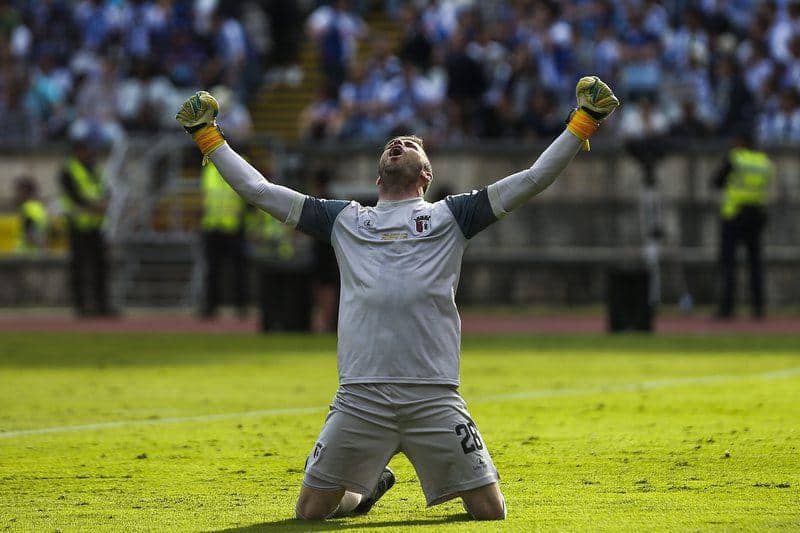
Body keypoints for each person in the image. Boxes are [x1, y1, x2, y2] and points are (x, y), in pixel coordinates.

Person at [176, 76, 619, 521]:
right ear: (378, 174)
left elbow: (535, 178)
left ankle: (368, 481)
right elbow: (260, 191)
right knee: (311, 512)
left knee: (490, 511)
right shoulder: (346, 220)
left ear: (426, 174)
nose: (399, 143)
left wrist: (584, 121)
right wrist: (208, 136)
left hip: (433, 395)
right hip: (361, 397)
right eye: (394, 143)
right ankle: (365, 492)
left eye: (409, 143)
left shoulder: (453, 216)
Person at [711, 132, 775, 319]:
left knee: (729, 264)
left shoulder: (735, 158)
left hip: (734, 214)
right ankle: (758, 308)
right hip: (756, 214)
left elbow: (716, 181)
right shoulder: (763, 161)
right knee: (755, 263)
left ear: (740, 141)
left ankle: (726, 308)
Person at [59, 124, 111, 317]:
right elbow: (73, 195)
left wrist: (104, 202)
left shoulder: (94, 168)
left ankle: (102, 305)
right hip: (77, 224)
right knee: (79, 267)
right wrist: (95, 206)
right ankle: (81, 306)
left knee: (100, 266)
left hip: (95, 224)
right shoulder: (68, 170)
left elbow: (105, 190)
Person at [199, 161, 248, 319]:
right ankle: (211, 306)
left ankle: (241, 306)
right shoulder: (209, 169)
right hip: (213, 226)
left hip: (233, 226)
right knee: (213, 270)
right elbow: (205, 197)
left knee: (238, 270)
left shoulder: (239, 163)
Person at [14, 176, 48, 252]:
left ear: (25, 191)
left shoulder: (28, 209)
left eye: (18, 191)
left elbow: (31, 236)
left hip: (27, 256)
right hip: (37, 254)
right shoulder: (39, 208)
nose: (16, 195)